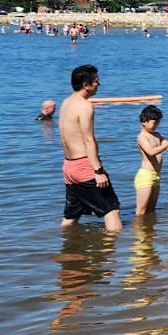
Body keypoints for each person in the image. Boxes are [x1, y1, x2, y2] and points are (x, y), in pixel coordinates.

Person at [59, 64, 122, 232]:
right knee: (112, 210)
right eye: (96, 81)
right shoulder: (85, 106)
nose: (99, 84)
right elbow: (88, 139)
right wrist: (98, 170)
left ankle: (66, 248)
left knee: (71, 216)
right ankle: (110, 257)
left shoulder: (66, 103)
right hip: (84, 166)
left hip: (68, 167)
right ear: (85, 85)